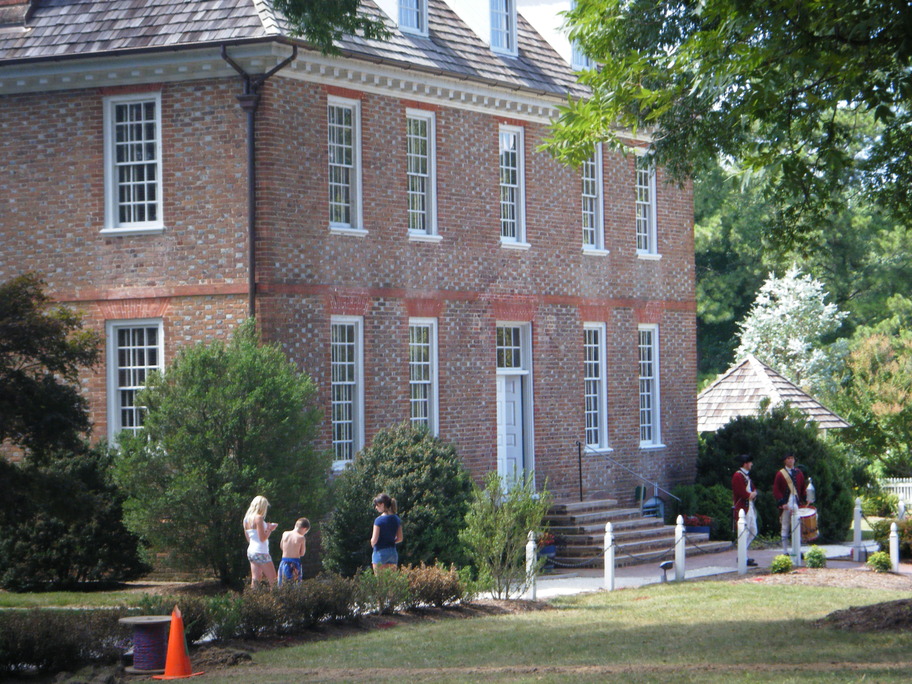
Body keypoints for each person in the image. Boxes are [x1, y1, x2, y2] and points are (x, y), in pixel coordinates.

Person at [773, 453, 807, 554]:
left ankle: (797, 550)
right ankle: (785, 551)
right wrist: (782, 503)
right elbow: (776, 490)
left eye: (792, 458)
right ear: (785, 460)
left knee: (797, 527)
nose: (791, 460)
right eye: (788, 458)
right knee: (785, 527)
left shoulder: (799, 473)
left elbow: (803, 488)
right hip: (786, 504)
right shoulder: (780, 474)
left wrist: (806, 498)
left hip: (796, 503)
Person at [243, 495, 278, 588]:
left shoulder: (246, 519)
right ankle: (276, 597)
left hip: (251, 551)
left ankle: (252, 596)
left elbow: (248, 537)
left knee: (256, 579)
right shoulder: (258, 518)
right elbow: (262, 538)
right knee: (273, 580)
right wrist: (270, 529)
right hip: (261, 551)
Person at [731, 454, 758, 566]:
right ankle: (743, 556)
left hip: (749, 506)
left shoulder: (746, 476)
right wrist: (750, 495)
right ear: (745, 463)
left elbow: (753, 488)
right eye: (750, 462)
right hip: (743, 507)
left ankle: (743, 554)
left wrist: (753, 494)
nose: (751, 464)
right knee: (744, 532)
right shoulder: (738, 476)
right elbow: (741, 492)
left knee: (753, 531)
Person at [370, 493, 402, 574]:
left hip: (380, 552)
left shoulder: (378, 520)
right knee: (391, 580)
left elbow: (374, 540)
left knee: (380, 580)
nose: (376, 507)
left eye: (377, 505)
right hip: (392, 552)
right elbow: (400, 538)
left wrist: (372, 544)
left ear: (382, 504)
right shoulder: (396, 519)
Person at [277, 517, 310, 586]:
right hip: (294, 563)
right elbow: (302, 553)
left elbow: (281, 547)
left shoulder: (285, 534)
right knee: (295, 585)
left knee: (282, 584)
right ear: (304, 529)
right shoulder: (301, 537)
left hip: (284, 561)